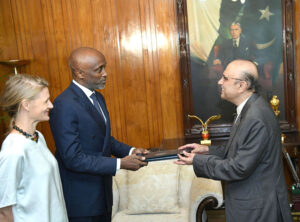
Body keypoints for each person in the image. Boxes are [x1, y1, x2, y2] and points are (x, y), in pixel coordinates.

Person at [175, 60, 292, 222]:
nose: (219, 82)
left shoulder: (256, 117)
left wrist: (198, 161)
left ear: (241, 86)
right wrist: (206, 150)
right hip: (252, 204)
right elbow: (236, 150)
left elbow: (238, 168)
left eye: (225, 78)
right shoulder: (249, 109)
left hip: (258, 210)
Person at [49, 47, 148, 222]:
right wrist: (119, 163)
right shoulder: (64, 105)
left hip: (102, 195)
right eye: (99, 69)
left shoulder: (98, 98)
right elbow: (73, 158)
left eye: (105, 67)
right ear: (80, 73)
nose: (105, 74)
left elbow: (103, 140)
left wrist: (131, 151)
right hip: (82, 201)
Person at [0, 74, 68, 222]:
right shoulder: (13, 150)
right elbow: (4, 212)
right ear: (26, 105)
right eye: (45, 101)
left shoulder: (38, 137)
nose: (51, 105)